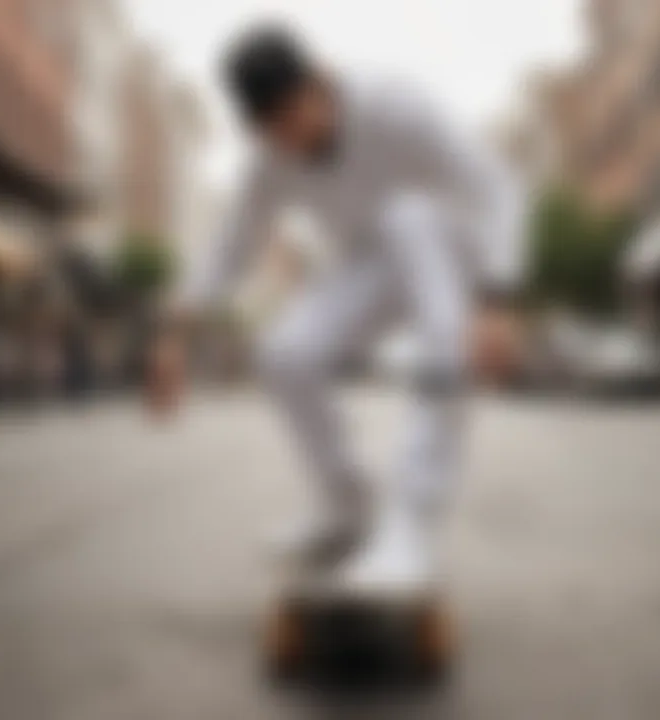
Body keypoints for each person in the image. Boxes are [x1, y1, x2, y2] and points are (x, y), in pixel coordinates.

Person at [149, 26, 526, 592]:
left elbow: (497, 187)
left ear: (322, 81)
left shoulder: (395, 103)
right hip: (373, 261)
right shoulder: (270, 158)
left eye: (294, 116)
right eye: (271, 130)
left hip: (452, 245)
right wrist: (173, 335)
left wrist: (496, 300)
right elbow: (231, 247)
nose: (291, 140)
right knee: (284, 354)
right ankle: (346, 509)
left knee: (409, 221)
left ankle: (411, 529)